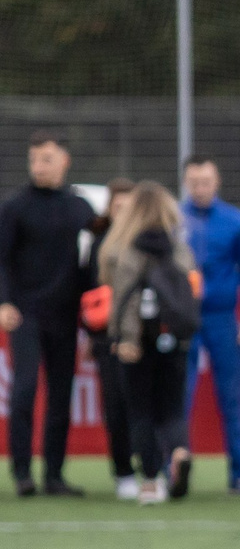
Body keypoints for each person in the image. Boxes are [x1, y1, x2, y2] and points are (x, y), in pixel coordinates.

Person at [0, 133, 96, 496]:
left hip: (66, 315)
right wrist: (4, 302)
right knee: (24, 390)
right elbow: (2, 259)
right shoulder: (14, 207)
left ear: (64, 161)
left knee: (61, 395)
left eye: (46, 158)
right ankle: (23, 474)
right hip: (25, 314)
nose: (39, 165)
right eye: (34, 159)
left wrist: (94, 320)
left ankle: (54, 476)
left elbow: (95, 263)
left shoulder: (80, 208)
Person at [102, 182, 197, 506]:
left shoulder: (127, 248)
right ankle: (180, 451)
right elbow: (191, 289)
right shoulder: (178, 247)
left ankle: (151, 480)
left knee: (141, 411)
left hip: (138, 341)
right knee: (172, 409)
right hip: (175, 337)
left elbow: (123, 299)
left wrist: (123, 338)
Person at [179, 156, 240, 496]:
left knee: (231, 398)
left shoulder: (236, 222)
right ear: (185, 182)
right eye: (194, 182)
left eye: (206, 182)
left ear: (217, 182)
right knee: (179, 398)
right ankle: (176, 470)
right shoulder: (174, 219)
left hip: (222, 319)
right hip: (182, 319)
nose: (200, 189)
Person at [79, 179, 139, 498]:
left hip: (144, 335)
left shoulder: (146, 240)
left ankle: (152, 465)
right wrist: (90, 332)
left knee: (144, 404)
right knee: (115, 404)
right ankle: (123, 470)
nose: (123, 211)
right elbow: (87, 290)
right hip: (107, 336)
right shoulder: (98, 242)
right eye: (118, 204)